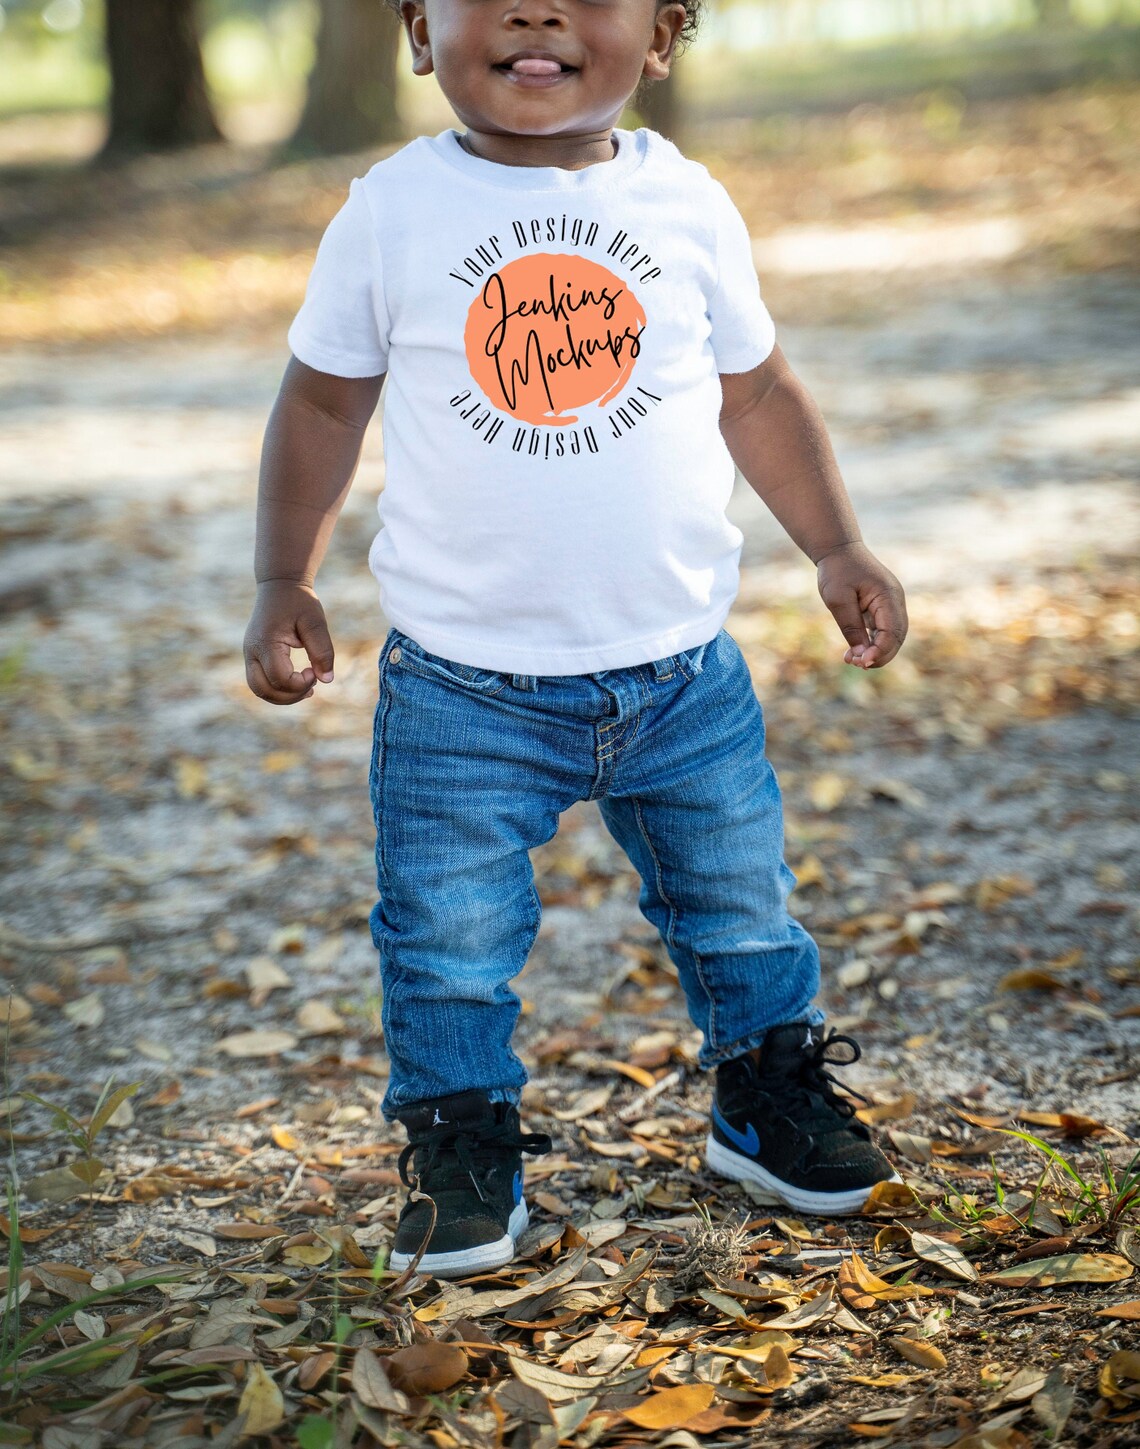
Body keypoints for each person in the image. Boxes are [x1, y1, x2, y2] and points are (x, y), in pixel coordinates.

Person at [243, 0, 909, 1280]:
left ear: (661, 33)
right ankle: (457, 1136)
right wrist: (285, 574)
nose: (538, 8)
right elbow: (324, 400)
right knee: (445, 937)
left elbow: (755, 391)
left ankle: (765, 1093)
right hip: (462, 693)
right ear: (419, 31)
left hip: (681, 679)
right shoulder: (392, 211)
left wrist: (835, 544)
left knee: (742, 910)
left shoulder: (690, 204)